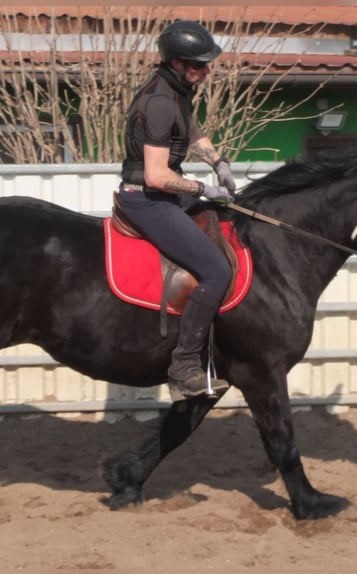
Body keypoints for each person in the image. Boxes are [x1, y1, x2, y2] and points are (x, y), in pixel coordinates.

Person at [116, 20, 237, 398]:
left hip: (168, 194)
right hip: (147, 198)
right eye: (199, 65)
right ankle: (184, 366)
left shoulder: (178, 91)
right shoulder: (159, 102)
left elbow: (193, 129)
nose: (206, 70)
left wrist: (219, 161)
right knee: (216, 271)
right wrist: (203, 186)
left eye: (207, 63)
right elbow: (155, 175)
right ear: (177, 63)